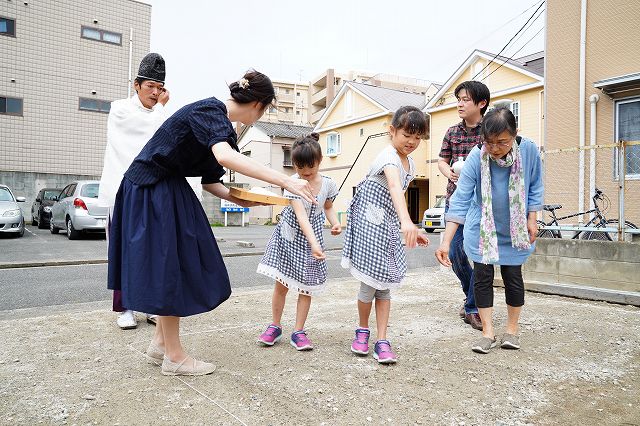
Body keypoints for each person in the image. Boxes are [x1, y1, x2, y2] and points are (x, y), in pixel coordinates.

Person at [107, 70, 315, 376]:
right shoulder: (211, 111)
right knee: (172, 267)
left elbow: (211, 182)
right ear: (258, 104)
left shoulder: (222, 128)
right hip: (153, 187)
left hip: (160, 187)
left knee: (174, 263)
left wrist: (244, 200)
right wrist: (286, 181)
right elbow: (225, 157)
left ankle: (161, 345)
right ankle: (175, 358)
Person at [98, 53, 202, 330]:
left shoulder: (160, 112)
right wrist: (163, 110)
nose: (155, 93)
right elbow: (155, 132)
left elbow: (170, 140)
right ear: (136, 85)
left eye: (160, 87)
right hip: (123, 192)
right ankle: (125, 308)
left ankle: (152, 306)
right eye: (149, 87)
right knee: (124, 250)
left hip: (152, 193)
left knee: (155, 250)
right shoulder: (119, 109)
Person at [435, 107, 543, 354]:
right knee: (482, 278)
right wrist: (445, 242)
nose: (494, 149)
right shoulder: (477, 156)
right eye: (489, 142)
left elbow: (536, 185)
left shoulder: (528, 151)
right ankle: (487, 332)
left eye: (502, 142)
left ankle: (512, 331)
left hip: (514, 227)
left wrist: (532, 217)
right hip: (483, 227)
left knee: (513, 277)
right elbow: (461, 199)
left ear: (515, 134)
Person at [341, 106, 430, 364]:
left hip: (387, 224)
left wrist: (411, 227)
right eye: (406, 135)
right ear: (392, 131)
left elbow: (397, 196)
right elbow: (392, 185)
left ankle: (382, 338)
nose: (412, 142)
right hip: (369, 224)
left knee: (385, 284)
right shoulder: (388, 157)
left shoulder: (410, 162)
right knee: (370, 282)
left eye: (417, 137)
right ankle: (362, 331)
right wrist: (406, 221)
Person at [256, 133, 341, 351]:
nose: (305, 171)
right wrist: (314, 244)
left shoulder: (329, 184)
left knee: (306, 288)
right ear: (294, 164)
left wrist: (334, 223)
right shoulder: (292, 183)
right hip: (290, 237)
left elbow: (328, 206)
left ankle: (299, 331)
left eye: (310, 166)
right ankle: (275, 325)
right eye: (299, 166)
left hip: (314, 240)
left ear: (320, 161)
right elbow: (302, 217)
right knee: (281, 284)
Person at [437, 80, 491, 331]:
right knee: (456, 252)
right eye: (458, 98)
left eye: (465, 99)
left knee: (480, 257)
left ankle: (472, 307)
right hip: (455, 199)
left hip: (481, 203)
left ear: (481, 103)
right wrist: (449, 173)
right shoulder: (451, 132)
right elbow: (441, 160)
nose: (460, 103)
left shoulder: (490, 130)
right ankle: (473, 299)